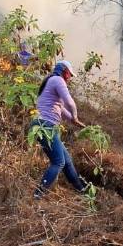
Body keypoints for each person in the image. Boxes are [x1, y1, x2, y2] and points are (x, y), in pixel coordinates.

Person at [30, 60, 87, 198]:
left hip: (44, 125)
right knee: (58, 162)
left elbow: (61, 110)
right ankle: (38, 194)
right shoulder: (57, 80)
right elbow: (70, 103)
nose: (70, 78)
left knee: (66, 161)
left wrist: (76, 122)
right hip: (45, 126)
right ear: (64, 72)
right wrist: (75, 115)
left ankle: (83, 191)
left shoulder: (51, 82)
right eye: (69, 75)